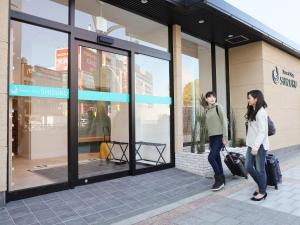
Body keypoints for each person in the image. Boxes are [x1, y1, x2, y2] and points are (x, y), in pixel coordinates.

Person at [245, 90, 269, 201]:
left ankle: (262, 192)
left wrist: (255, 147)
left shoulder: (261, 112)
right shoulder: (252, 110)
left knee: (260, 169)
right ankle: (261, 185)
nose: (248, 100)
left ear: (256, 99)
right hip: (251, 144)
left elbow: (262, 132)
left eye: (249, 98)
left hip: (259, 146)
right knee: (248, 166)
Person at [205, 91, 228, 191]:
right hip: (212, 137)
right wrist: (209, 139)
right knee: (217, 158)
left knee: (211, 158)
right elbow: (209, 126)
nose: (212, 98)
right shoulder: (207, 110)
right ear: (206, 99)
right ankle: (222, 178)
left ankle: (218, 180)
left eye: (213, 96)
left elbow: (224, 122)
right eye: (209, 97)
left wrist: (225, 137)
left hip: (219, 136)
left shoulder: (219, 107)